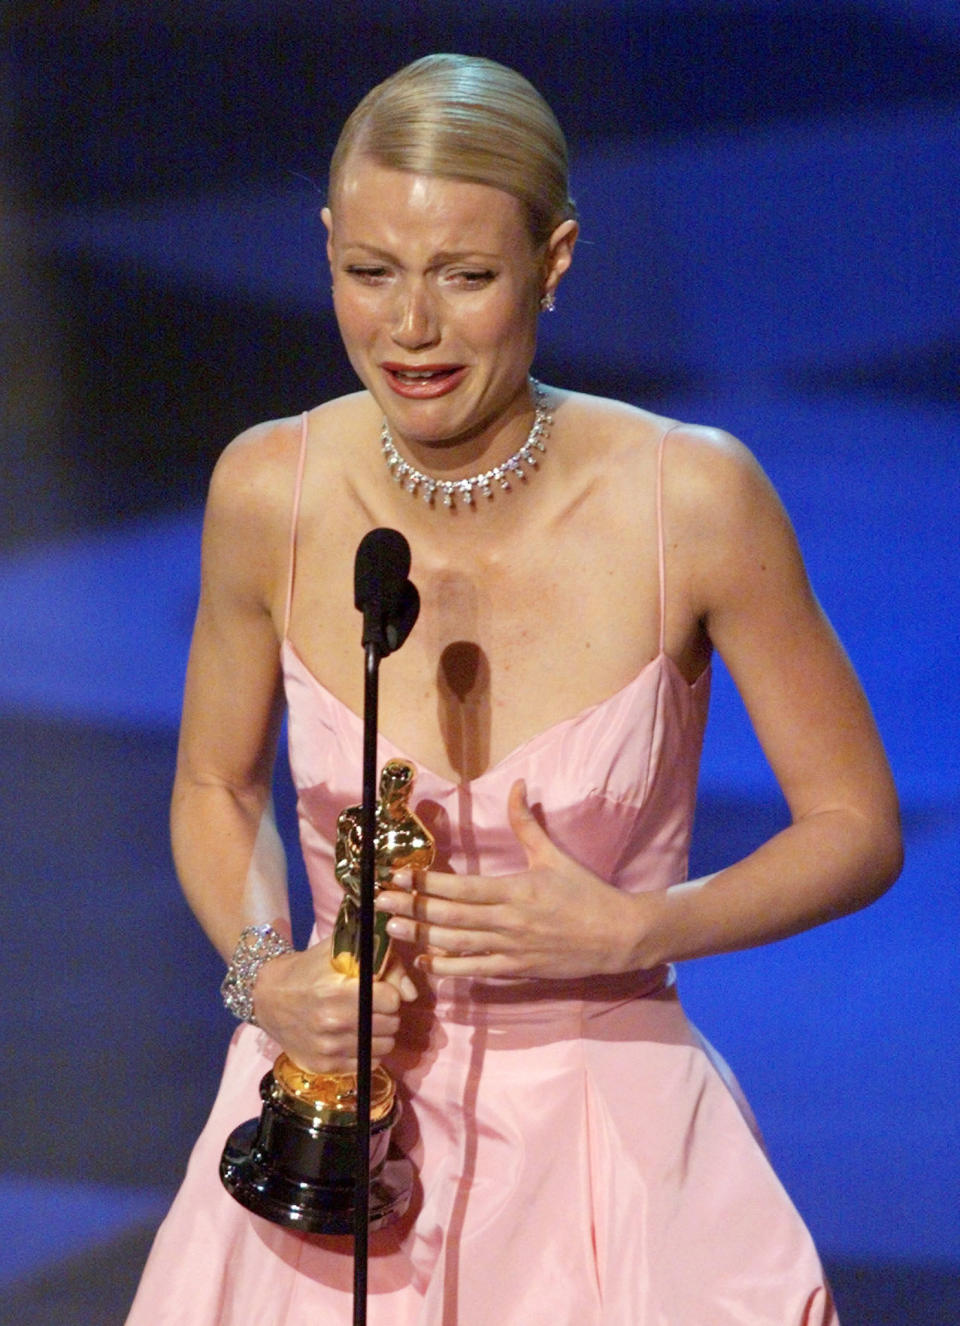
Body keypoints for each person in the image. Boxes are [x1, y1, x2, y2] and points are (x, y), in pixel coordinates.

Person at [126, 53, 902, 1325]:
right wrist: (265, 978)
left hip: (610, 1139)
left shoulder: (692, 501)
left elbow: (858, 828)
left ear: (556, 259)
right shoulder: (270, 490)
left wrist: (640, 930)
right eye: (368, 272)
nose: (409, 329)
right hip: (327, 1133)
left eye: (464, 276)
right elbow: (217, 783)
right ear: (325, 246)